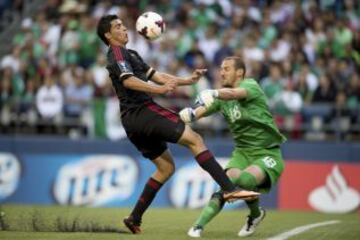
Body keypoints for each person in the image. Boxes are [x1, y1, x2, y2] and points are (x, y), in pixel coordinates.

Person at [96, 15, 259, 234]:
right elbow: (128, 80)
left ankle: (134, 218)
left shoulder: (130, 54)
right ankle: (229, 189)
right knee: (195, 139)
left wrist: (188, 80)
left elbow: (157, 75)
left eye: (123, 25)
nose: (124, 28)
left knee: (165, 168)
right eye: (118, 27)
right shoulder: (117, 53)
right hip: (143, 112)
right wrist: (158, 90)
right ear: (108, 35)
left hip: (131, 121)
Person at [179, 56, 286, 237]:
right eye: (221, 68)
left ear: (240, 72)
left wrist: (214, 93)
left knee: (245, 180)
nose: (221, 72)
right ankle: (198, 226)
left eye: (226, 69)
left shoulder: (251, 86)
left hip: (267, 153)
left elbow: (235, 94)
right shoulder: (222, 98)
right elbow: (201, 110)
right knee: (226, 184)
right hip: (242, 153)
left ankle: (255, 214)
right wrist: (190, 115)